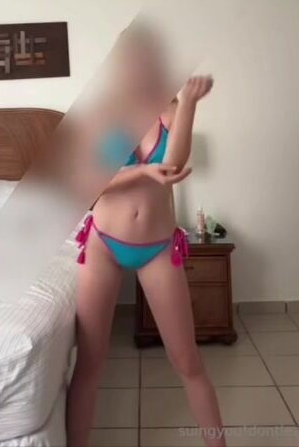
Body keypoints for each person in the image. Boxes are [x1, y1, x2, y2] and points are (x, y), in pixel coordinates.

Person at [66, 27, 226, 447]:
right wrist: (140, 173)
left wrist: (189, 102)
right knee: (90, 364)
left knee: (188, 361)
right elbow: (91, 180)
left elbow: (173, 164)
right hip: (103, 244)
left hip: (157, 248)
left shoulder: (170, 110)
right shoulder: (106, 115)